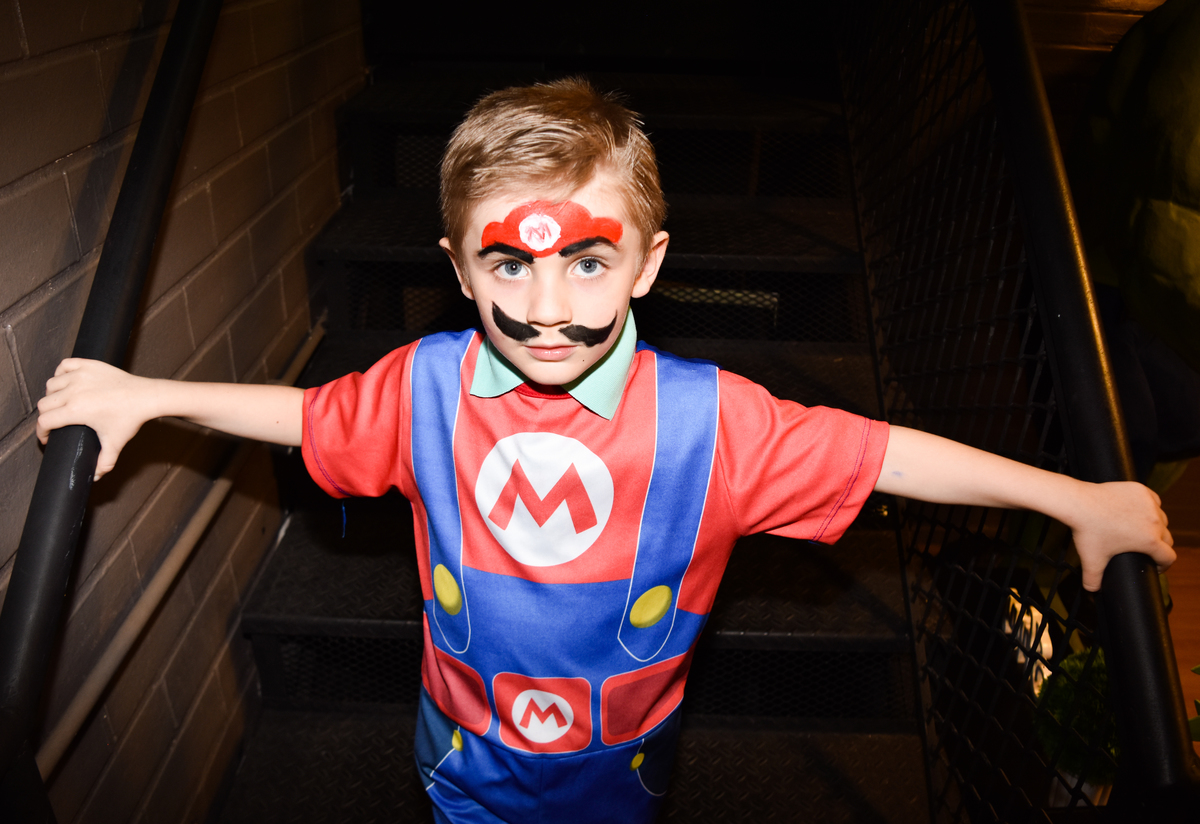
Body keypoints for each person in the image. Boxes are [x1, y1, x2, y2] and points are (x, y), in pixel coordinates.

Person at [36, 79, 1174, 824]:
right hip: (461, 767)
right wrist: (148, 397)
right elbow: (308, 415)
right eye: (509, 264)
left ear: (648, 263)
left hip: (622, 772)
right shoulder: (425, 389)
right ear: (459, 268)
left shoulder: (712, 423)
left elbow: (883, 457)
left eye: (587, 262)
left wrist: (1072, 497)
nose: (546, 308)